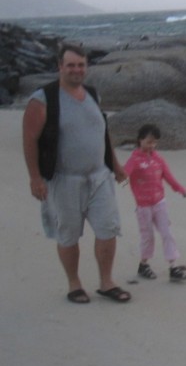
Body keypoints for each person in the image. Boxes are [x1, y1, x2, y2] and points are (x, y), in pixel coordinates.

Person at [22, 44, 131, 304]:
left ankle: (106, 282)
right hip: (64, 180)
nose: (76, 70)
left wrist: (115, 165)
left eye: (81, 65)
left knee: (108, 230)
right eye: (70, 65)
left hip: (99, 177)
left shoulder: (92, 94)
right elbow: (29, 139)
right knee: (68, 235)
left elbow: (102, 133)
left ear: (86, 67)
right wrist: (35, 178)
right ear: (60, 66)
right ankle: (74, 284)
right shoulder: (43, 99)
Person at [124, 124, 186, 281]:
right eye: (149, 142)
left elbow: (168, 177)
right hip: (143, 206)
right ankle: (143, 264)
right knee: (148, 236)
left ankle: (173, 267)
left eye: (154, 142)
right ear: (140, 140)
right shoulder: (134, 159)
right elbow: (124, 173)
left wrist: (180, 189)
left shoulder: (158, 159)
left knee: (167, 233)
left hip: (159, 203)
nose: (152, 145)